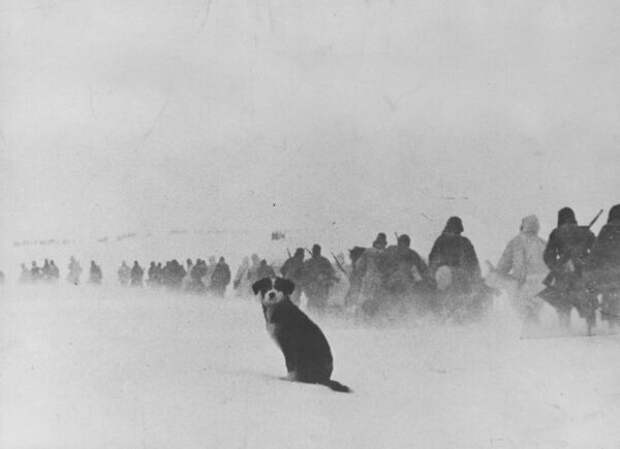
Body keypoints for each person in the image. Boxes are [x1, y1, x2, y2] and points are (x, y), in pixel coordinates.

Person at [543, 207, 596, 332]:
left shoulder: (556, 232)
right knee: (588, 303)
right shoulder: (585, 232)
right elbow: (596, 252)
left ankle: (564, 332)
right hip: (582, 274)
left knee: (563, 305)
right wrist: (584, 260)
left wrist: (556, 267)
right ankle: (591, 331)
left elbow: (547, 256)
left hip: (563, 275)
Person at [428, 217, 488, 322]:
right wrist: (476, 278)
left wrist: (432, 275)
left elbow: (432, 259)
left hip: (442, 274)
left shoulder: (440, 240)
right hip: (460, 276)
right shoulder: (464, 241)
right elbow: (473, 262)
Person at [495, 215, 548, 325]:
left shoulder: (516, 242)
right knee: (535, 311)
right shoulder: (543, 243)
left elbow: (503, 266)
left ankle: (531, 332)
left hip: (524, 283)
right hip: (544, 284)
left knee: (526, 313)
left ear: (522, 226)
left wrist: (497, 277)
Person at [384, 234, 434, 314]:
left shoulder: (393, 250)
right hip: (402, 283)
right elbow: (423, 268)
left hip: (395, 282)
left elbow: (422, 268)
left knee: (394, 304)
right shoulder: (411, 253)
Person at [587, 204, 620, 328]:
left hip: (609, 274)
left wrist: (590, 268)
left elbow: (596, 252)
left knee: (611, 299)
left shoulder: (607, 229)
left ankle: (612, 327)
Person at [356, 233, 389, 317]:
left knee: (363, 300)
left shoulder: (368, 251)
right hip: (380, 281)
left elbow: (358, 265)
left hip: (368, 279)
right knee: (379, 303)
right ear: (384, 243)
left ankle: (361, 319)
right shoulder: (386, 253)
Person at [302, 244, 338, 314]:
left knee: (321, 308)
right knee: (311, 309)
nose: (314, 252)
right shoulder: (309, 262)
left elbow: (331, 272)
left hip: (322, 288)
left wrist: (324, 276)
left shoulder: (324, 261)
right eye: (314, 250)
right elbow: (304, 275)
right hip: (312, 289)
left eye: (316, 250)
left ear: (319, 251)